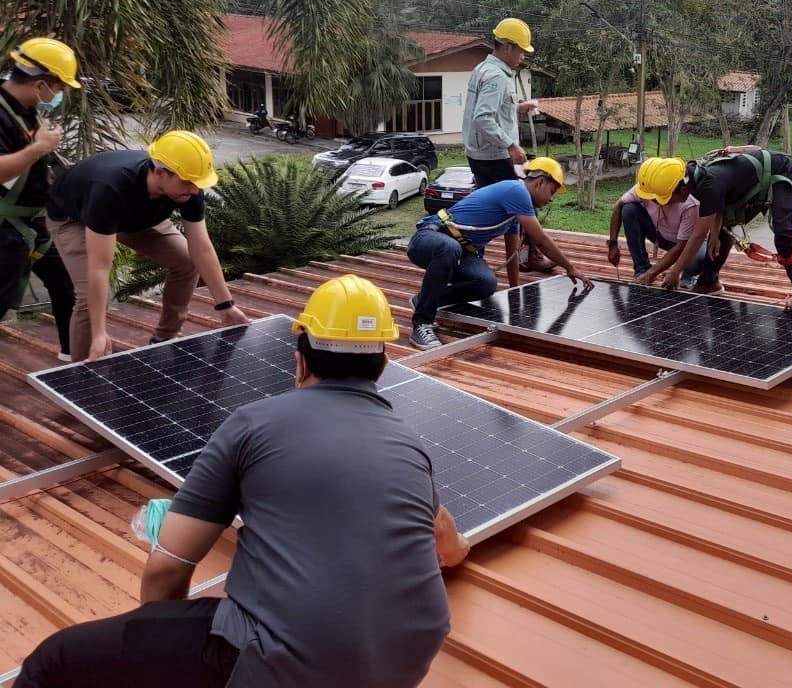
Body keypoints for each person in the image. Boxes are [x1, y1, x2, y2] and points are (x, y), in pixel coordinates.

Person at [14, 275, 470, 688]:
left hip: (282, 657)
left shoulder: (253, 424)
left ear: (299, 362)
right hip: (409, 658)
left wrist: (159, 645)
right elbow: (448, 544)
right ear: (384, 364)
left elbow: (167, 566)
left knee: (52, 662)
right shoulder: (409, 443)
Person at [46, 130, 249, 361]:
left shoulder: (188, 189)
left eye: (197, 183)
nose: (194, 190)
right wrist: (100, 333)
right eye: (188, 182)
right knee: (87, 298)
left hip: (134, 217)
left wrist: (225, 305)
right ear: (161, 172)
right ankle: (84, 370)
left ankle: (165, 337)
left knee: (186, 261)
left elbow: (201, 247)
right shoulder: (110, 188)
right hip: (73, 219)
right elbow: (99, 267)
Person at [406, 156, 592, 349]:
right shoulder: (516, 191)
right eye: (552, 191)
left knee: (486, 283)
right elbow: (541, 240)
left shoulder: (514, 210)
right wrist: (570, 268)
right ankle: (422, 323)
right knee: (449, 248)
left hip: (461, 252)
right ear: (540, 182)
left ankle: (424, 299)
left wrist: (515, 290)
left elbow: (511, 252)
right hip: (429, 237)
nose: (551, 198)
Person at [635, 146, 792, 295]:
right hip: (746, 181)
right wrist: (716, 232)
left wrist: (675, 272)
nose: (660, 203)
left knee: (785, 237)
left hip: (783, 172)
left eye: (662, 199)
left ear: (681, 190)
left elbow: (697, 236)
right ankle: (708, 283)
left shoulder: (708, 184)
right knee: (721, 235)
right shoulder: (692, 178)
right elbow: (717, 203)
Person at [0, 38, 79, 362]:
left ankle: (71, 357)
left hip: (32, 225)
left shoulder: (27, 109)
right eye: (57, 87)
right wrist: (37, 148)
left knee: (66, 286)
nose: (57, 95)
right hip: (5, 228)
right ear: (41, 83)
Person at [461, 17, 551, 272]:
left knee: (486, 206)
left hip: (481, 153)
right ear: (508, 46)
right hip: (494, 155)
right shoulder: (497, 77)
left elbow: (489, 109)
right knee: (524, 201)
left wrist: (516, 108)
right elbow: (482, 117)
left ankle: (474, 259)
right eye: (521, 50)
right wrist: (511, 145)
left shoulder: (484, 69)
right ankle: (528, 255)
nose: (522, 56)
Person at [607, 157, 709, 288]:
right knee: (629, 210)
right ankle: (641, 269)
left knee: (698, 260)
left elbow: (681, 246)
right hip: (658, 234)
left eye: (657, 199)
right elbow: (619, 206)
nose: (653, 201)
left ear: (679, 192)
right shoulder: (649, 186)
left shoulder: (690, 205)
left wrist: (659, 273)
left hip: (686, 244)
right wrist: (613, 244)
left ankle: (687, 276)